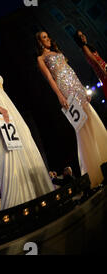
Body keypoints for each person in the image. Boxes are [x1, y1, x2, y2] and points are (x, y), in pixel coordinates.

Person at [0, 46, 54, 210]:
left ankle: (36, 190)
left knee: (25, 141)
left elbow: (2, 93)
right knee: (6, 151)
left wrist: (6, 109)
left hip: (9, 109)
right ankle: (17, 200)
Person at [36, 31, 107, 188]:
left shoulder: (57, 52)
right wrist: (60, 96)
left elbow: (70, 69)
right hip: (64, 88)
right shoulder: (41, 59)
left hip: (75, 84)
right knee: (82, 125)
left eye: (48, 36)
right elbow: (49, 78)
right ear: (40, 42)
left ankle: (104, 158)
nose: (48, 39)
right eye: (44, 37)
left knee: (91, 117)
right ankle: (93, 169)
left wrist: (81, 86)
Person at [74, 30, 107, 99]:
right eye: (80, 36)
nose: (83, 36)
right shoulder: (84, 47)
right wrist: (103, 71)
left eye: (82, 34)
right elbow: (95, 61)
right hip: (102, 70)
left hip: (104, 67)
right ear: (78, 39)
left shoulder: (87, 46)